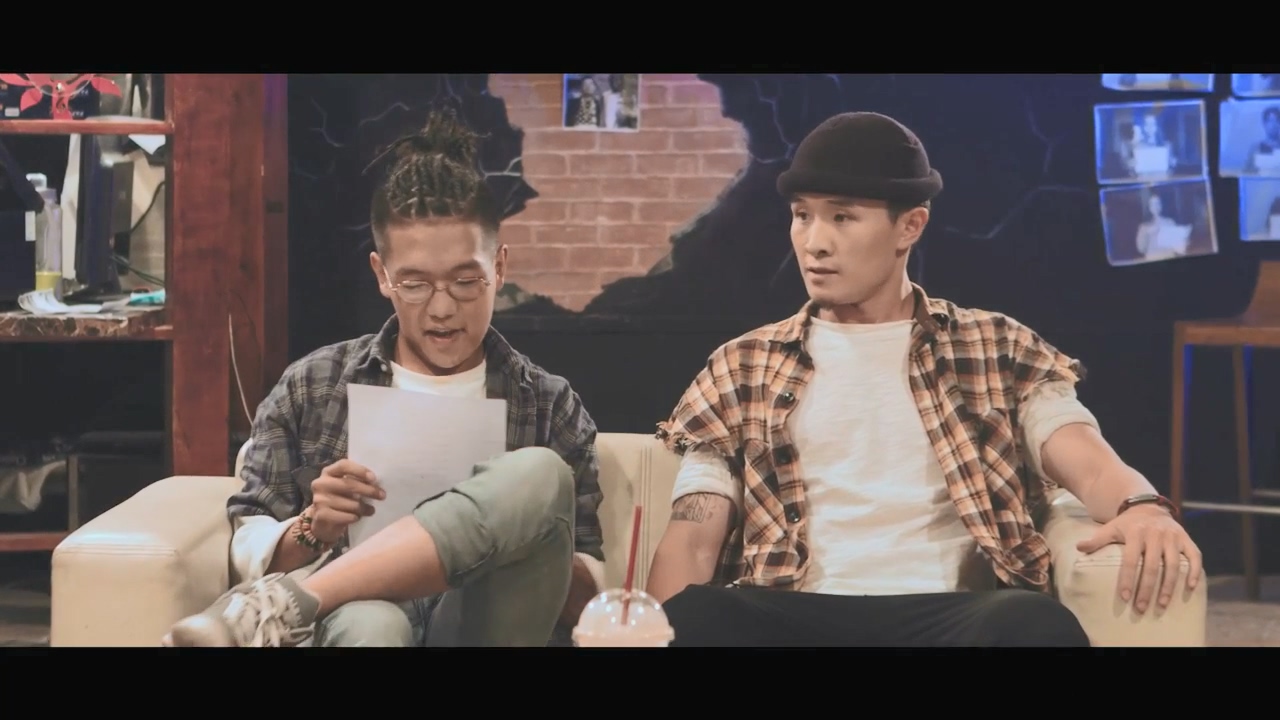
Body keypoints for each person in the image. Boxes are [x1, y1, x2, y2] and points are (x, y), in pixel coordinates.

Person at [645, 111, 1204, 647]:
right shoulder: (743, 364)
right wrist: (651, 636)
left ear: (909, 225)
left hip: (942, 615)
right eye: (802, 215)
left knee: (1032, 623)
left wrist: (1141, 506)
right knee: (696, 616)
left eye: (842, 217)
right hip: (797, 612)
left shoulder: (995, 346)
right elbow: (692, 540)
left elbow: (1088, 459)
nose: (814, 242)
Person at [163, 108, 605, 647]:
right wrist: (313, 526)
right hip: (358, 623)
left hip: (483, 624)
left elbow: (589, 601)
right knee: (373, 624)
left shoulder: (549, 404)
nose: (442, 308)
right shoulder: (313, 385)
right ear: (381, 275)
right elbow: (247, 542)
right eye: (414, 284)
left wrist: (518, 528)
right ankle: (298, 603)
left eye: (466, 281)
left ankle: (294, 601)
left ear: (500, 267)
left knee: (539, 473)